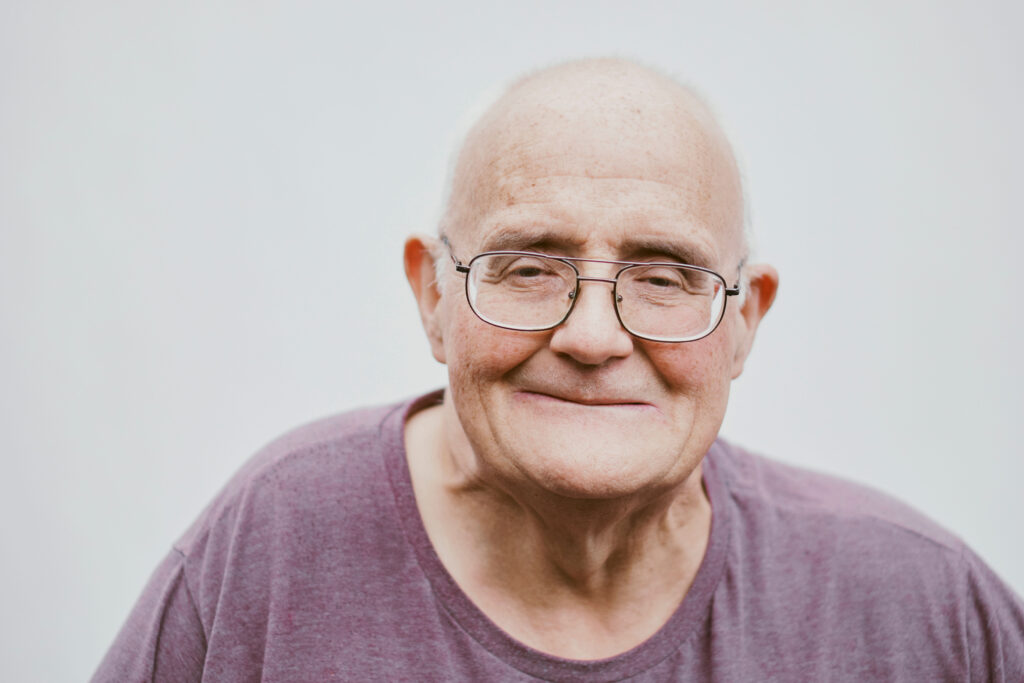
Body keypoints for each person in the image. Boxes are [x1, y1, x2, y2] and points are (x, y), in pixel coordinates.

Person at [92, 58, 1024, 682]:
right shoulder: (273, 546)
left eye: (664, 276)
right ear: (433, 298)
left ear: (745, 321)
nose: (590, 336)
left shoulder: (918, 609)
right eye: (529, 267)